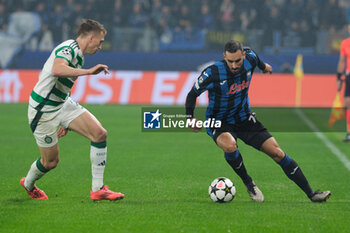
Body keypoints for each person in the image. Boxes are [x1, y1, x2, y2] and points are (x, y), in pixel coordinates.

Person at [185, 40, 331, 202]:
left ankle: (312, 194)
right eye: (230, 61)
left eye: (238, 61)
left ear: (244, 56)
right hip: (219, 121)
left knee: (277, 153)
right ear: (224, 57)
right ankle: (249, 183)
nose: (234, 65)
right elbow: (192, 94)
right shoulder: (212, 73)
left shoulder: (251, 58)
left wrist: (264, 67)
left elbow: (256, 57)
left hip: (244, 118)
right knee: (230, 145)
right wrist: (190, 118)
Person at [20, 19, 125, 201]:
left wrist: (66, 121)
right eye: (99, 42)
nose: (100, 46)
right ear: (91, 37)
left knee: (99, 134)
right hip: (42, 110)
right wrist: (89, 71)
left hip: (61, 103)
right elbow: (57, 69)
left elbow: (62, 84)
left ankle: (98, 190)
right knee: (51, 162)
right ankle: (29, 184)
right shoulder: (69, 47)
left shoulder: (80, 55)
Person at [336, 23, 350, 142]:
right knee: (347, 103)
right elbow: (342, 61)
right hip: (349, 75)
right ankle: (349, 132)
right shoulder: (345, 43)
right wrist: (339, 78)